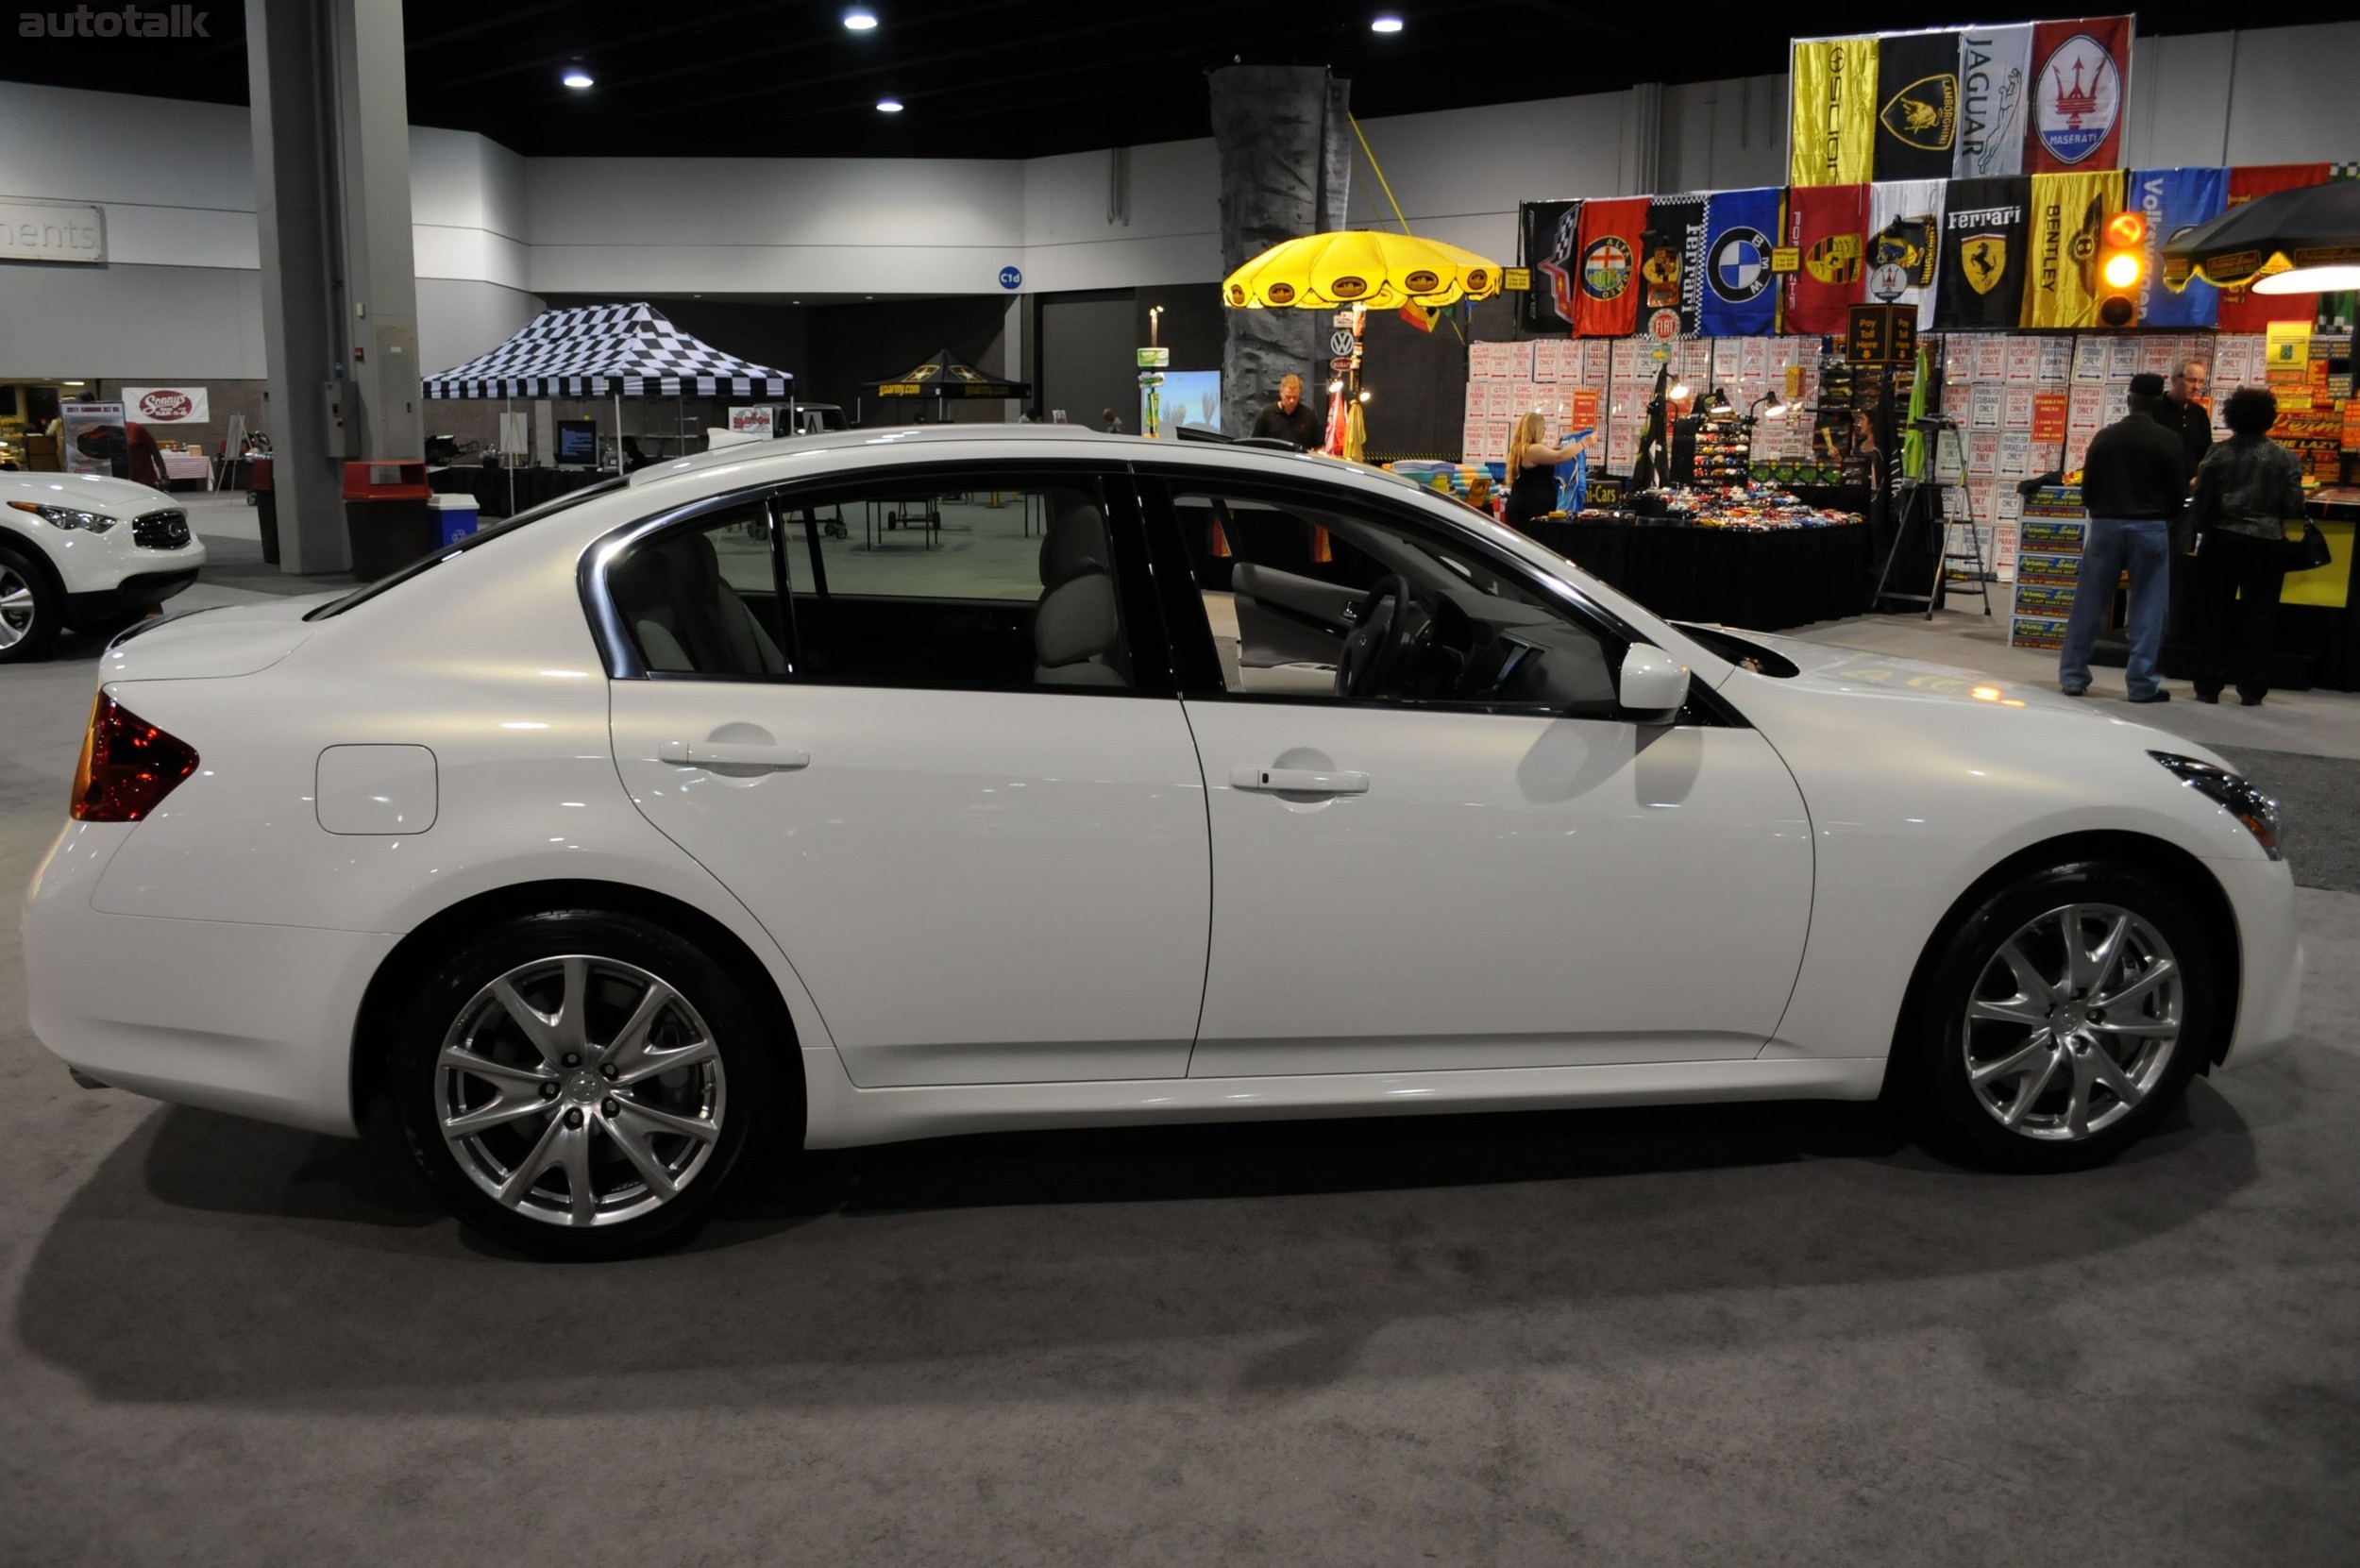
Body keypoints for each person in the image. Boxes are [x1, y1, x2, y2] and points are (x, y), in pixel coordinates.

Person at [2059, 372, 2190, 703]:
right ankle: (2141, 684)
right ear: (2158, 402)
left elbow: (2087, 489)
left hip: (2105, 525)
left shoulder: (2105, 437)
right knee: (2148, 605)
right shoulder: (2168, 439)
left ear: (2128, 400)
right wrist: (2162, 518)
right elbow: (2178, 494)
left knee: (2089, 602)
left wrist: (2101, 512)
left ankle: (2073, 677)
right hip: (2150, 527)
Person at [2189, 386, 2307, 705]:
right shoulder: (2286, 458)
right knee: (2260, 616)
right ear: (2269, 419)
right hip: (2267, 543)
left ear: (2231, 418)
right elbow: (2295, 506)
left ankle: (2208, 685)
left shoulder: (2217, 454)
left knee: (2213, 613)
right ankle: (2252, 688)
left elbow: (2201, 501)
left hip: (2221, 540)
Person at [1503, 412, 1599, 532]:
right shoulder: (1532, 449)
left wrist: (1558, 446)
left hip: (1529, 505)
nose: (1544, 432)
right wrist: (1584, 443)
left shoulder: (1524, 449)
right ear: (1535, 429)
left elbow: (1550, 455)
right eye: (1542, 428)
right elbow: (1559, 457)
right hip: (1528, 509)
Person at [1250, 373, 1325, 448]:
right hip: (1273, 459)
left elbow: (1318, 446)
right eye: (1288, 397)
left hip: (1299, 459)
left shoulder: (1309, 416)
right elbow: (1255, 444)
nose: (1292, 401)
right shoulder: (1267, 413)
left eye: (1295, 397)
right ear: (1281, 392)